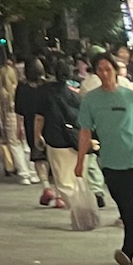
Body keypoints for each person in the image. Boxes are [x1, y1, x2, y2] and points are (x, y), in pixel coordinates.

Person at [76, 50, 133, 265]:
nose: (105, 73)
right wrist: (79, 161)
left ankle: (127, 250)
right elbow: (85, 132)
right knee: (126, 207)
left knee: (130, 205)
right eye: (100, 70)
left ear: (116, 70)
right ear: (95, 73)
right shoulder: (91, 100)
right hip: (109, 162)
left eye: (108, 69)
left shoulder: (131, 96)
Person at [36, 58, 82, 210]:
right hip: (75, 139)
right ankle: (80, 205)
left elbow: (39, 117)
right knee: (76, 177)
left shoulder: (45, 92)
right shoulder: (76, 95)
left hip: (55, 138)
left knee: (62, 179)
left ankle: (76, 209)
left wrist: (37, 136)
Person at [0, 58, 38, 184]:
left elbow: (0, 112)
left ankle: (23, 174)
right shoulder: (21, 88)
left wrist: (2, 127)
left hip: (10, 118)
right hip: (24, 117)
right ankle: (33, 172)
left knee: (15, 146)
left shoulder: (2, 93)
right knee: (27, 145)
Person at [14, 59, 48, 197]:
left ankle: (46, 186)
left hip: (30, 123)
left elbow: (18, 109)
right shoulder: (47, 86)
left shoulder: (22, 87)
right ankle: (56, 188)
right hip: (47, 123)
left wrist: (18, 127)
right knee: (49, 154)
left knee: (37, 155)